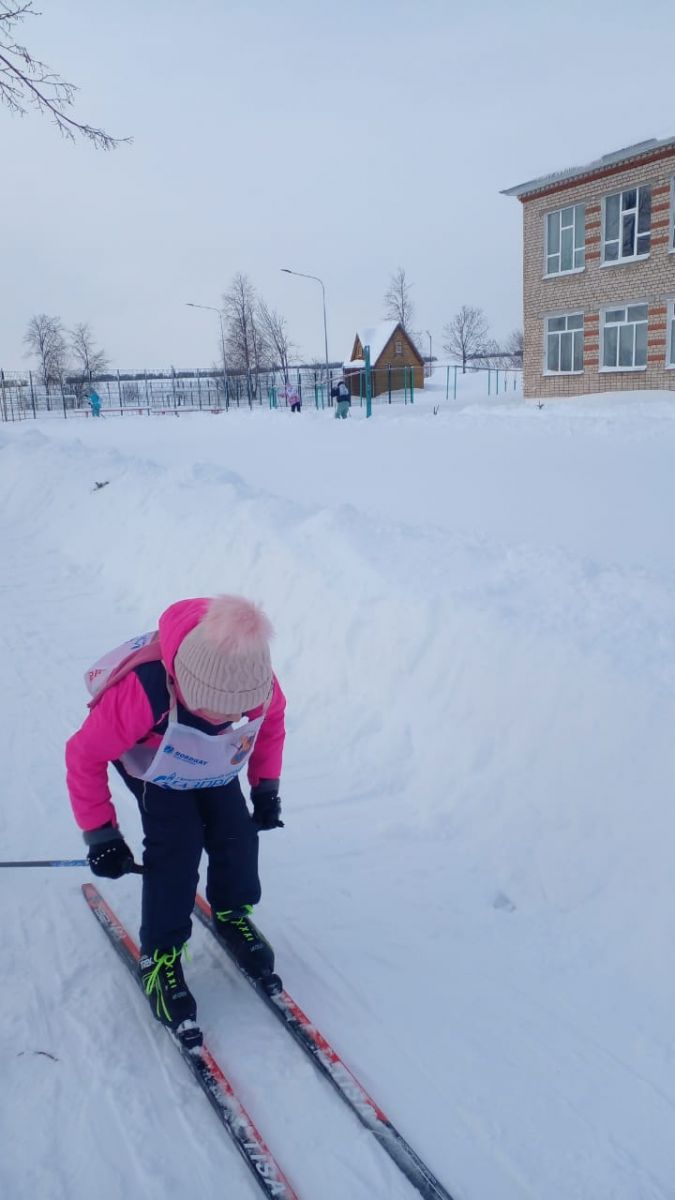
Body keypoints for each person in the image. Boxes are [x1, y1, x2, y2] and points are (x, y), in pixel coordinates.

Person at [66, 595, 286, 1044]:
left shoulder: (253, 678)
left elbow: (272, 723)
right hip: (153, 759)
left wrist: (265, 789)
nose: (231, 718)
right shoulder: (142, 691)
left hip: (213, 758)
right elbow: (83, 755)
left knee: (236, 832)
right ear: (187, 682)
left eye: (237, 713)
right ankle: (160, 954)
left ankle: (231, 911)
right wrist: (101, 835)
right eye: (216, 709)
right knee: (177, 845)